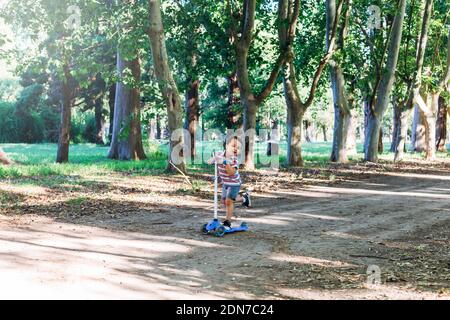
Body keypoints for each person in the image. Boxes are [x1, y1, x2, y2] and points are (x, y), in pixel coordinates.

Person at [208, 136, 251, 228]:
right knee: (224, 201)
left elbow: (231, 173)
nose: (236, 149)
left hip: (234, 183)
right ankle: (244, 198)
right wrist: (213, 159)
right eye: (234, 146)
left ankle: (228, 221)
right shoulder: (219, 153)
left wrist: (225, 162)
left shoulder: (234, 160)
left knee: (228, 201)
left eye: (238, 148)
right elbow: (209, 162)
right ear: (226, 145)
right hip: (225, 183)